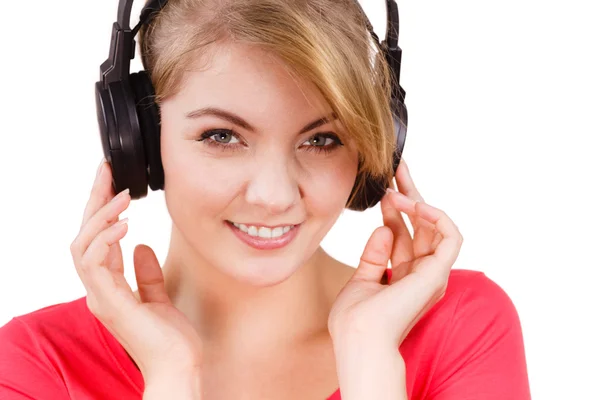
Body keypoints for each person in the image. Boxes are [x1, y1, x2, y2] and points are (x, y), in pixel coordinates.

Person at [0, 0, 531, 398]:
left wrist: (370, 360)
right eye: (222, 137)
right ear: (140, 140)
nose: (275, 196)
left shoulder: (460, 325)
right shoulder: (38, 364)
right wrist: (169, 376)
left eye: (322, 140)